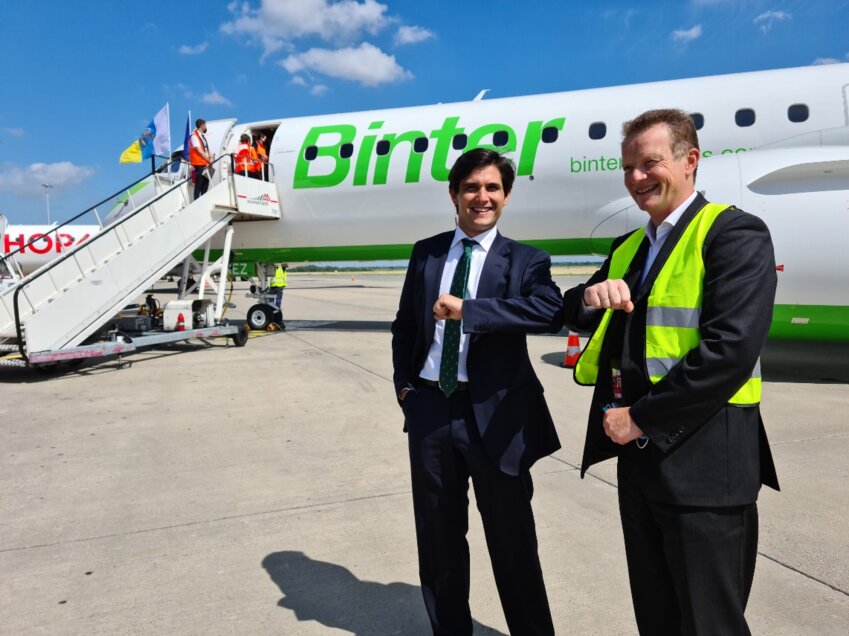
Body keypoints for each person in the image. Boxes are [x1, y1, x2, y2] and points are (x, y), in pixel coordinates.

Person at [560, 109, 779, 635]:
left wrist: (640, 418)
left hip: (706, 468)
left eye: (650, 163)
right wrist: (590, 296)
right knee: (656, 618)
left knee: (709, 623)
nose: (637, 178)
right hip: (639, 467)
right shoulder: (629, 247)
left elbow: (728, 352)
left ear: (690, 161)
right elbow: (571, 308)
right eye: (628, 167)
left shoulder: (733, 233)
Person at [391, 148, 562, 635]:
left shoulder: (525, 260)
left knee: (512, 544)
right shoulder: (426, 251)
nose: (481, 197)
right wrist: (406, 388)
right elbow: (405, 325)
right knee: (440, 541)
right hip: (429, 409)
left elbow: (548, 312)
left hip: (496, 417)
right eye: (471, 187)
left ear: (506, 196)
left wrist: (472, 310)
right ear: (454, 195)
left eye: (491, 188)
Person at [189, 118, 213, 200]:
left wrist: (211, 157)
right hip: (198, 162)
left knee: (206, 182)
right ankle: (196, 200)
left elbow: (207, 148)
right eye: (205, 125)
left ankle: (203, 199)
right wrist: (209, 160)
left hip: (205, 162)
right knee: (199, 182)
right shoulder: (194, 136)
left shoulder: (203, 137)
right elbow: (199, 151)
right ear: (202, 125)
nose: (206, 127)